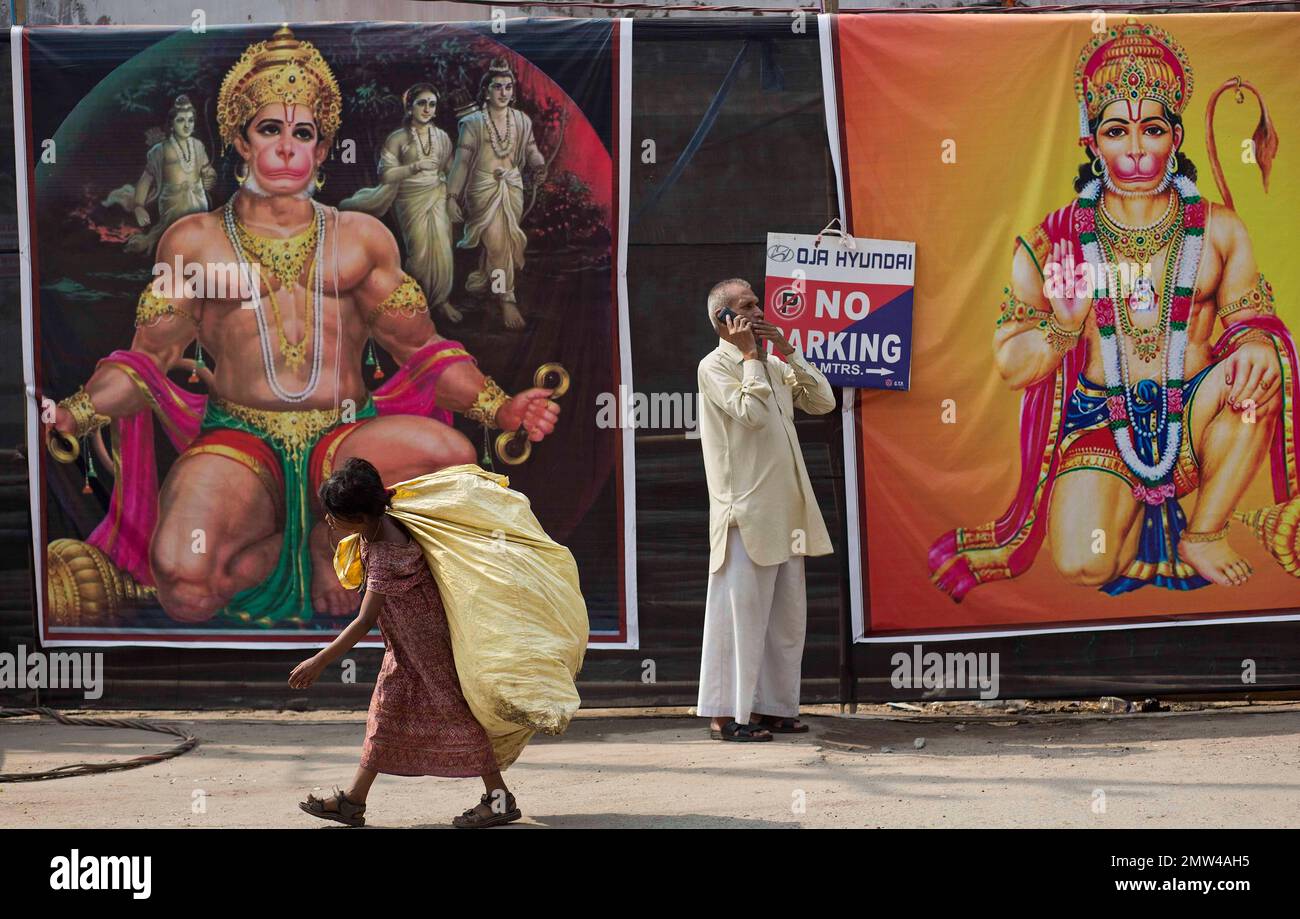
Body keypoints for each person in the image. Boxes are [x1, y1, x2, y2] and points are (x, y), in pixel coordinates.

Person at [47, 27, 559, 628]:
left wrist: (501, 410)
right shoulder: (195, 242)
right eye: (270, 130)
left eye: (303, 133)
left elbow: (423, 352)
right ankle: (297, 548)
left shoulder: (362, 238)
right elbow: (145, 364)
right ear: (240, 140)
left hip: (347, 440)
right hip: (241, 442)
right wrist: (75, 413)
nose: (287, 148)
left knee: (450, 456)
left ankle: (330, 538)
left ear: (320, 151)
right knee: (185, 584)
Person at [929, 18, 1300, 601]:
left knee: (1265, 367)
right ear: (1092, 141)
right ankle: (1131, 526)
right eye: (1116, 132)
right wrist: (1064, 324)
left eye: (1151, 130)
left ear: (1175, 137)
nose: (1134, 151)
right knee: (1084, 564)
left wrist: (1254, 343)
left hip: (1196, 421)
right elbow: (1011, 367)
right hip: (1104, 426)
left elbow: (1251, 321)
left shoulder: (1219, 231)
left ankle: (1202, 531)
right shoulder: (1052, 243)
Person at [290, 457, 521, 828]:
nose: (330, 521)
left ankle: (499, 801)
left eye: (336, 515)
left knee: (457, 717)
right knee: (385, 715)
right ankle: (352, 801)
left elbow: (364, 620)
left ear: (362, 517)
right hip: (405, 648)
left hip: (428, 650)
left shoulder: (385, 555)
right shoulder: (386, 521)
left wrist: (319, 660)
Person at [695, 278, 836, 741]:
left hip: (787, 514)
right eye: (747, 306)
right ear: (723, 320)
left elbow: (823, 401)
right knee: (740, 620)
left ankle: (775, 707)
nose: (759, 311)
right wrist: (752, 358)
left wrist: (788, 353)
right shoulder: (714, 366)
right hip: (746, 514)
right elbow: (750, 417)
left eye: (757, 303)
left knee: (785, 620)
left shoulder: (774, 366)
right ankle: (728, 716)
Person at [340, 83, 463, 324]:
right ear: (410, 107)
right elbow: (386, 175)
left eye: (432, 104)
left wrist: (455, 194)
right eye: (421, 103)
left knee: (443, 250)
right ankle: (417, 300)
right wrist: (414, 167)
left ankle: (442, 301)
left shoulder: (442, 137)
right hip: (409, 197)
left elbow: (450, 170)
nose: (427, 109)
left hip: (437, 194)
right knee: (419, 251)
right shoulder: (397, 138)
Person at [445, 58, 547, 330]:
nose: (504, 92)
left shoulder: (522, 121)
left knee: (506, 244)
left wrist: (538, 164)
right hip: (483, 189)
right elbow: (462, 162)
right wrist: (452, 196)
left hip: (512, 187)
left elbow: (531, 149)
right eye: (497, 87)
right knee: (499, 244)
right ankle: (507, 299)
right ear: (486, 91)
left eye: (508, 87)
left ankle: (483, 279)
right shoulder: (473, 122)